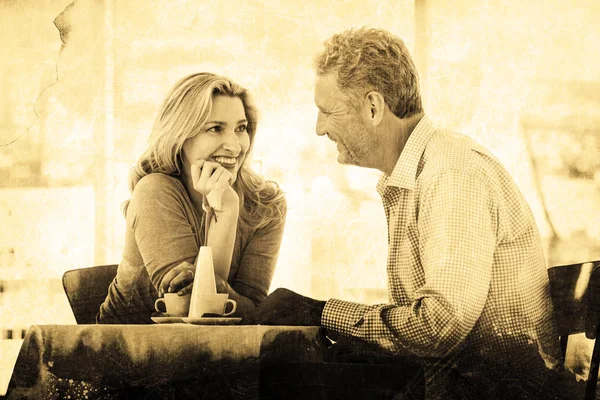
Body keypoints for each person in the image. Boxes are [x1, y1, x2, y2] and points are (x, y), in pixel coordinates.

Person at [256, 28, 563, 399]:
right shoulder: (420, 171)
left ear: (373, 107)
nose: (319, 129)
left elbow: (440, 325)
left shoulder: (451, 174)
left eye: (326, 112)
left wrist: (320, 312)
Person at [99, 72, 286, 325]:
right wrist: (225, 212)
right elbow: (194, 310)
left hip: (218, 354)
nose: (234, 145)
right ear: (180, 135)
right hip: (124, 350)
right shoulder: (154, 191)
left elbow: (255, 313)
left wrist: (227, 206)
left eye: (241, 129)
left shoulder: (266, 204)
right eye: (215, 129)